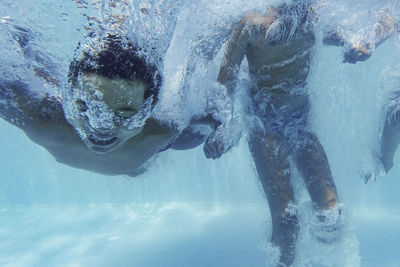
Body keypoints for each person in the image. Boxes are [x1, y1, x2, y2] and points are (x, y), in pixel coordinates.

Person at [214, 1, 398, 265]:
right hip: (263, 122)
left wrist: (364, 44)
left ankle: (330, 262)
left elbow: (381, 23)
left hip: (300, 122)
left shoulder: (315, 17)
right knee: (286, 219)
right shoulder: (251, 23)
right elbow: (225, 83)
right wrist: (223, 126)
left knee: (331, 213)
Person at [0, 29, 235, 176]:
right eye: (84, 107)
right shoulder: (39, 117)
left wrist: (225, 131)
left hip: (150, 148)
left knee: (188, 141)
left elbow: (221, 110)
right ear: (68, 94)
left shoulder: (166, 129)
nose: (100, 128)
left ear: (150, 108)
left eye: (124, 114)